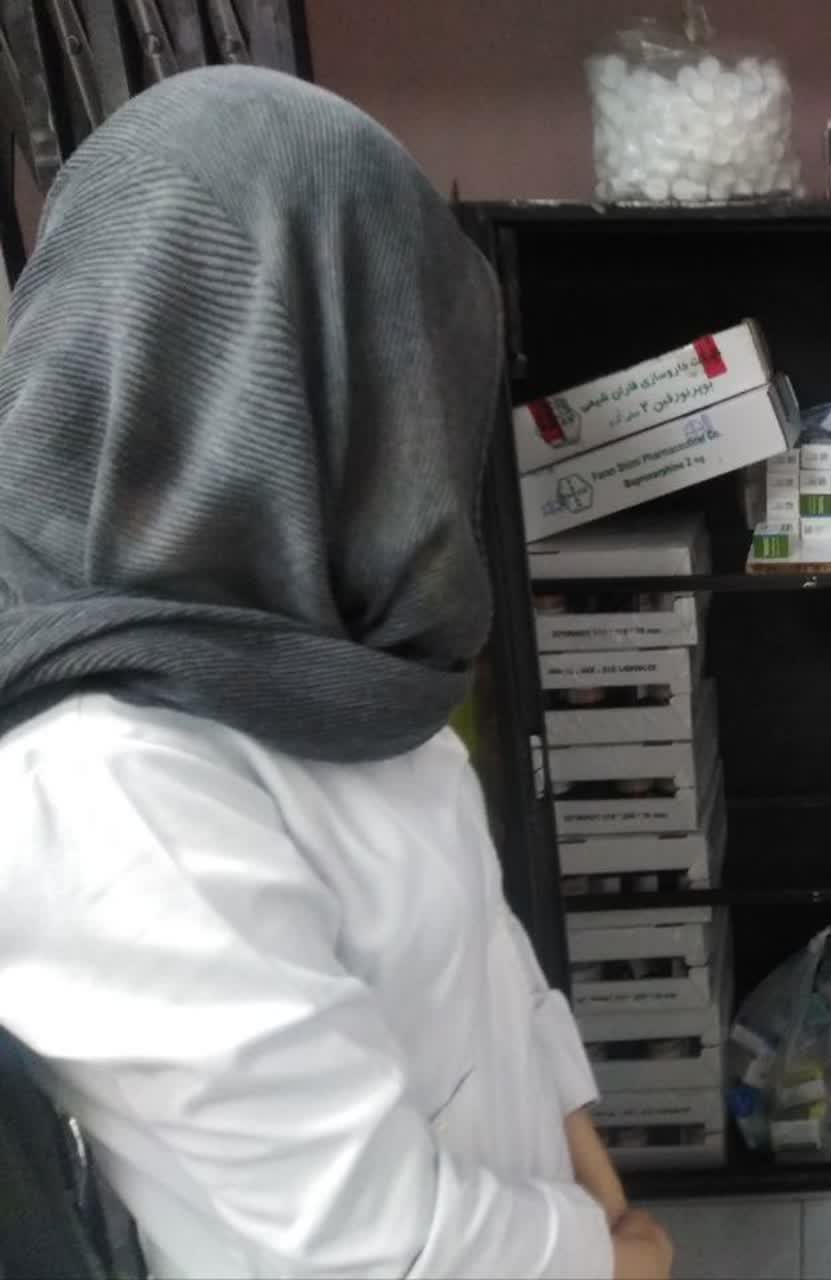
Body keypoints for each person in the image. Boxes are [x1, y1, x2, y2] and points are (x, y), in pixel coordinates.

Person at [0, 66, 672, 1279]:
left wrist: (591, 1166)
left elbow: (481, 938)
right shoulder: (104, 786)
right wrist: (625, 1260)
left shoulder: (327, 650)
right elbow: (370, 1251)